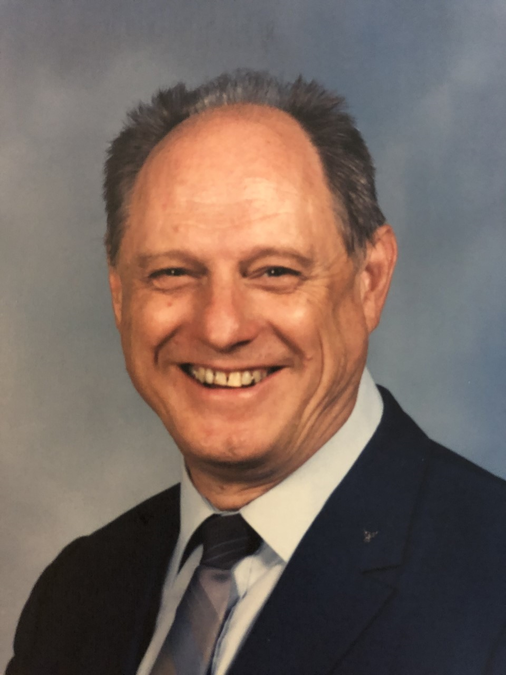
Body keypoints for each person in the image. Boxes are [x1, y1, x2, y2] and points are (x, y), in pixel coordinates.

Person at [7, 70, 506, 675]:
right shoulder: (75, 593)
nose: (221, 328)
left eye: (274, 272)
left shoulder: (492, 578)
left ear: (370, 280)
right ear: (119, 296)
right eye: (172, 273)